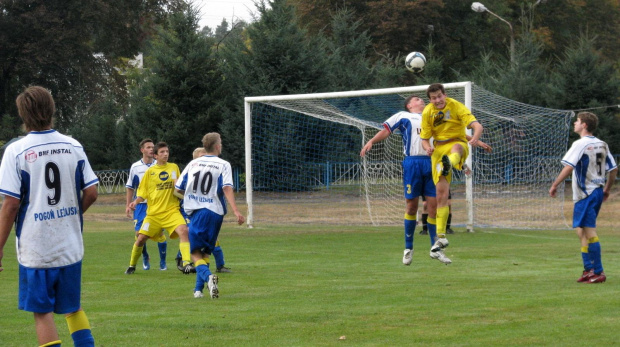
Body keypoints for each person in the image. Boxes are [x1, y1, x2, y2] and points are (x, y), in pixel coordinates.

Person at [0, 86, 98, 347]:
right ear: (52, 109)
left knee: (42, 312)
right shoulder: (72, 145)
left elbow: (10, 204)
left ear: (23, 114)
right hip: (70, 244)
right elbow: (92, 191)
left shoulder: (16, 151)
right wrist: (71, 215)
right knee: (73, 307)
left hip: (36, 247)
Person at [361, 95, 490, 266]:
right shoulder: (402, 116)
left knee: (433, 206)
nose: (421, 100)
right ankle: (408, 248)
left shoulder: (434, 116)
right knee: (411, 205)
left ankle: (435, 249)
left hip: (433, 161)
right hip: (412, 162)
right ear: (409, 105)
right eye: (416, 99)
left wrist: (478, 142)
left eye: (422, 99)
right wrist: (371, 141)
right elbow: (386, 130)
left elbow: (453, 135)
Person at [549, 112, 617, 283]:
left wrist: (555, 184)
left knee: (589, 230)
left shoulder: (580, 144)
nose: (575, 123)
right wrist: (607, 189)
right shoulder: (602, 144)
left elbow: (569, 167)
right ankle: (588, 269)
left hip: (586, 193)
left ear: (584, 125)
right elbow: (613, 168)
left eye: (577, 121)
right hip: (597, 191)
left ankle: (598, 272)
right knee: (581, 231)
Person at [175, 133, 245, 299]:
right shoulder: (223, 164)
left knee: (194, 252)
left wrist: (193, 195)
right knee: (205, 252)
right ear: (217, 146)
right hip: (215, 213)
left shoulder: (193, 163)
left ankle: (208, 277)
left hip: (198, 212)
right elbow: (227, 187)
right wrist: (235, 210)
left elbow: (178, 188)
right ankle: (198, 291)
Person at [421, 83, 484, 263]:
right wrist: (428, 149)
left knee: (457, 147)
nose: (438, 100)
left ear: (444, 94)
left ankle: (452, 161)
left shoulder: (456, 106)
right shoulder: (427, 112)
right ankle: (440, 238)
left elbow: (477, 126)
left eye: (440, 96)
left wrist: (476, 139)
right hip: (439, 151)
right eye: (434, 98)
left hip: (457, 143)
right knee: (441, 196)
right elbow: (425, 139)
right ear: (430, 99)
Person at [126, 142, 193, 274]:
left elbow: (178, 189)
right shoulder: (150, 172)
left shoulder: (173, 168)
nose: (165, 154)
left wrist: (181, 191)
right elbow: (143, 192)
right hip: (153, 215)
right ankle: (132, 265)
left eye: (167, 151)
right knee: (140, 239)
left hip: (171, 212)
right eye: (162, 152)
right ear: (155, 155)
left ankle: (186, 263)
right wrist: (136, 202)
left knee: (184, 231)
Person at [175, 147, 232, 274]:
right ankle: (183, 260)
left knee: (212, 240)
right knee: (192, 237)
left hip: (208, 210)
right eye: (201, 156)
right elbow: (177, 190)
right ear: (195, 159)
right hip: (194, 212)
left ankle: (218, 266)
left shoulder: (211, 171)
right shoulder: (192, 170)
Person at [125, 139, 168, 271]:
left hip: (156, 205)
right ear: (142, 150)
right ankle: (145, 256)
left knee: (159, 234)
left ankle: (162, 262)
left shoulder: (159, 165)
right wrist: (128, 205)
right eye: (148, 147)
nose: (151, 149)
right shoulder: (135, 167)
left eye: (152, 147)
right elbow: (130, 187)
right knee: (139, 234)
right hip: (141, 205)